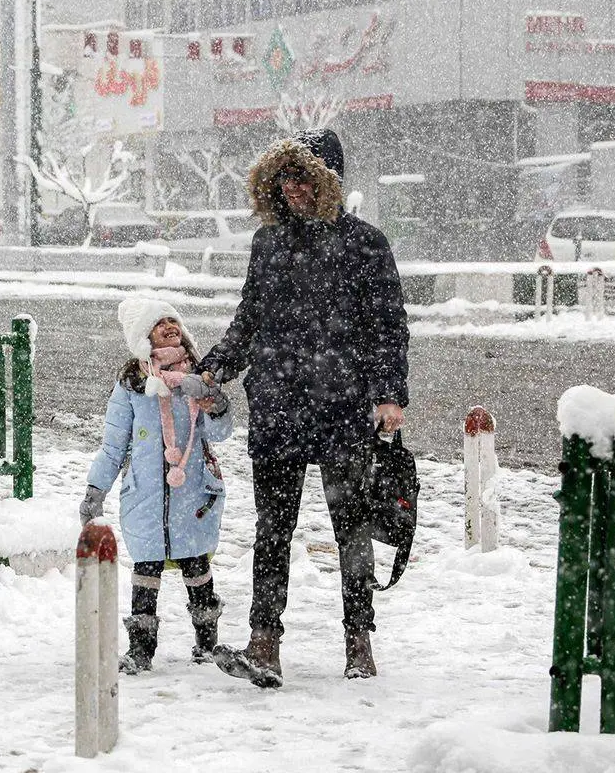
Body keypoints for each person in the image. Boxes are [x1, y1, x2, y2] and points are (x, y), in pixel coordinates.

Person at [199, 129, 410, 688]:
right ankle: (264, 641)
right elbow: (249, 319)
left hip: (343, 407)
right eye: (283, 179)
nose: (292, 188)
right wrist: (217, 366)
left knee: (351, 529)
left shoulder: (366, 244)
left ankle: (358, 640)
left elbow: (388, 327)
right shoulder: (268, 244)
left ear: (327, 183)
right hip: (278, 406)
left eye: (303, 178)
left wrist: (389, 394)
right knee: (272, 529)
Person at [81, 298, 233, 674]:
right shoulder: (132, 384)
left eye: (173, 320)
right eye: (159, 323)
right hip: (146, 495)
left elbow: (219, 432)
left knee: (196, 565)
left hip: (192, 490)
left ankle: (206, 642)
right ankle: (142, 649)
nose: (170, 327)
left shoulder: (198, 376)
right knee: (146, 570)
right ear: (142, 336)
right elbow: (114, 444)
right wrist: (96, 488)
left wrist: (214, 404)